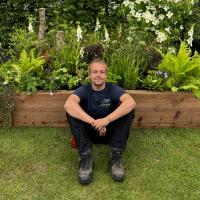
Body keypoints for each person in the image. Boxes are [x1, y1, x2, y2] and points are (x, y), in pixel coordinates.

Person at [64, 58, 136, 185]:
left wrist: (106, 120)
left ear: (106, 74)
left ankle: (116, 157)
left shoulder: (112, 89)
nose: (98, 75)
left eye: (102, 72)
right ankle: (86, 159)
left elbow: (131, 102)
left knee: (128, 110)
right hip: (89, 133)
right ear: (90, 74)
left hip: (110, 133)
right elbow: (68, 104)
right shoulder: (84, 90)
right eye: (95, 72)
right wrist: (94, 122)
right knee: (72, 112)